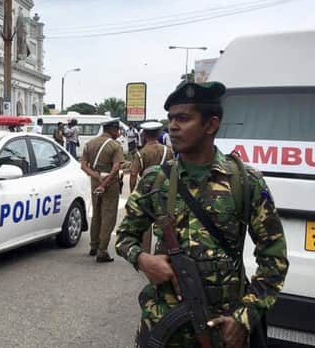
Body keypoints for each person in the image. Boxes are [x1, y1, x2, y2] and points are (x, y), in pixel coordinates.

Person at [115, 81, 288, 348]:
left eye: (183, 118)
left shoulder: (245, 181)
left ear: (211, 125)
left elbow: (273, 259)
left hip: (222, 328)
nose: (173, 126)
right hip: (163, 326)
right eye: (171, 118)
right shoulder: (155, 180)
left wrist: (244, 318)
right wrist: (143, 260)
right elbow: (125, 236)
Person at [80, 118, 124, 263]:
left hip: (95, 182)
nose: (118, 133)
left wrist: (96, 177)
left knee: (96, 213)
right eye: (117, 130)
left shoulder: (89, 144)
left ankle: (93, 245)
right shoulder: (115, 146)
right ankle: (102, 251)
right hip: (109, 183)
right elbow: (116, 167)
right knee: (108, 215)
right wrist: (104, 182)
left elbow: (84, 166)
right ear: (111, 129)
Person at [129, 121, 174, 254]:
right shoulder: (168, 150)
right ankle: (165, 253)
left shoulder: (140, 153)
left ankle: (146, 253)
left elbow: (133, 174)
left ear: (144, 135)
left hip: (146, 190)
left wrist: (133, 192)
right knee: (165, 222)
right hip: (165, 190)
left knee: (146, 224)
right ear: (158, 133)